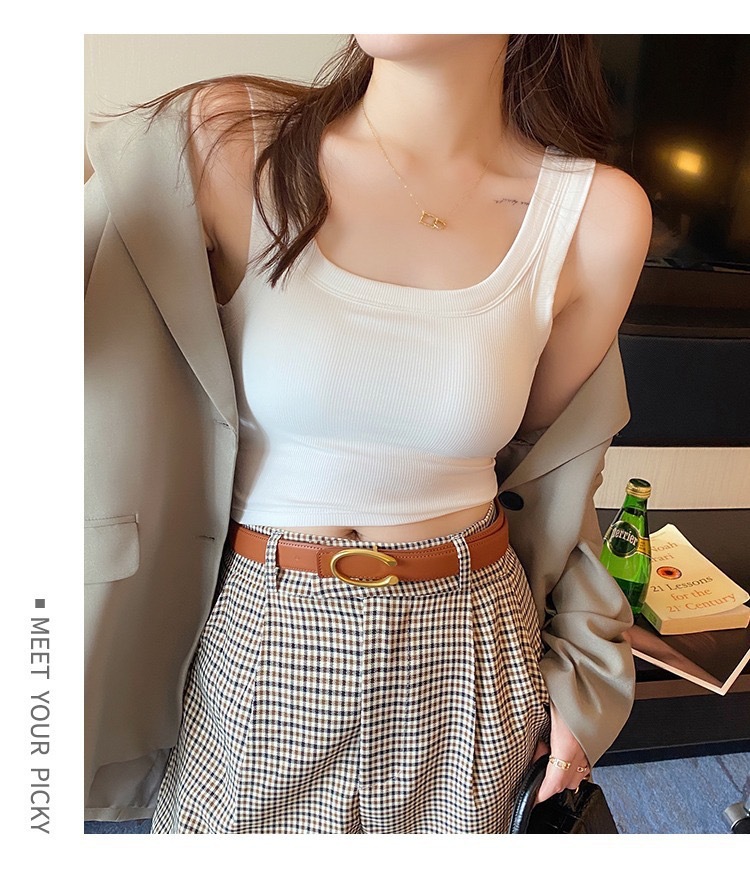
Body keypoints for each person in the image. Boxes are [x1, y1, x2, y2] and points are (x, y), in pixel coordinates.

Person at [84, 34, 651, 834]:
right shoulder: (226, 142)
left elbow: (550, 471)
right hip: (263, 632)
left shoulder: (595, 215)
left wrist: (588, 667)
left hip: (470, 640)